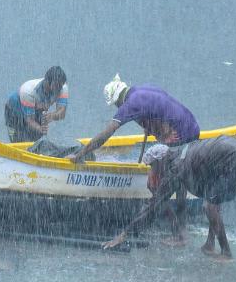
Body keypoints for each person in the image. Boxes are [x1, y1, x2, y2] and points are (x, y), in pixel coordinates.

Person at [68, 74, 200, 243]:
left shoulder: (130, 105)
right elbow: (161, 107)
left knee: (155, 186)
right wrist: (153, 127)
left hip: (178, 137)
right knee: (180, 183)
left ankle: (177, 233)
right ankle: (181, 228)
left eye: (115, 104)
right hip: (192, 128)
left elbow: (106, 134)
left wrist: (81, 154)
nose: (117, 106)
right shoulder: (142, 89)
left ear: (118, 100)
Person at [103, 137, 236, 261]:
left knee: (209, 206)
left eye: (152, 167)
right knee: (212, 197)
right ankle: (210, 244)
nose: (152, 171)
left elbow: (153, 204)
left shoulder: (176, 169)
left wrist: (124, 234)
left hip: (234, 157)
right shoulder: (181, 153)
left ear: (161, 161)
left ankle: (226, 254)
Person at [4, 66, 68, 142]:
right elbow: (29, 120)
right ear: (47, 82)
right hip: (14, 110)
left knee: (37, 140)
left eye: (60, 86)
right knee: (20, 139)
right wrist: (40, 129)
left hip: (35, 108)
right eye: (57, 86)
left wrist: (51, 116)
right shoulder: (28, 91)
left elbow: (62, 113)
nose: (59, 89)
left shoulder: (62, 87)